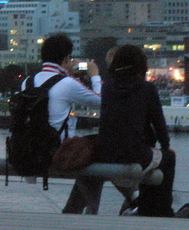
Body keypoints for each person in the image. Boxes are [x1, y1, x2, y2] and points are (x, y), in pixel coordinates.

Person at [21, 33, 102, 214]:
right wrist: (95, 75)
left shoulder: (27, 82)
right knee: (101, 148)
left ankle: (72, 210)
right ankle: (90, 211)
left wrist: (66, 73)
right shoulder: (67, 83)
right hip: (58, 152)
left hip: (28, 151)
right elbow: (101, 101)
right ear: (66, 58)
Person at [96, 44, 175, 217]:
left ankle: (144, 207)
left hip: (107, 152)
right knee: (168, 158)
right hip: (134, 153)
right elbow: (159, 124)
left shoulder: (107, 87)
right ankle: (162, 209)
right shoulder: (147, 89)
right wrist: (166, 146)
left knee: (150, 154)